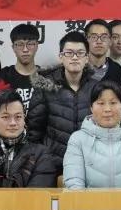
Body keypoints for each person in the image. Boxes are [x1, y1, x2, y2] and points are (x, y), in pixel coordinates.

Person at [63, 81, 121, 189]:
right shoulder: (78, 139)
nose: (107, 109)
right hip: (89, 200)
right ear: (91, 108)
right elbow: (74, 182)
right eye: (101, 103)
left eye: (113, 103)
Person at [27, 31, 98, 169]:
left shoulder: (96, 87)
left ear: (87, 58)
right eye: (69, 53)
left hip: (89, 163)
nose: (75, 57)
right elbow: (34, 131)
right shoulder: (46, 87)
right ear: (61, 57)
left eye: (80, 53)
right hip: (52, 164)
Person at [0, 23, 42, 115]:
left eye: (30, 44)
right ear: (13, 47)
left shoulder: (46, 76)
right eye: (20, 44)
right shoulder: (3, 76)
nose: (25, 49)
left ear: (37, 46)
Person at [84, 19, 121, 85]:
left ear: (110, 41)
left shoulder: (120, 73)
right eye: (94, 37)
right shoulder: (77, 68)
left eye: (104, 37)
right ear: (85, 41)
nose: (99, 41)